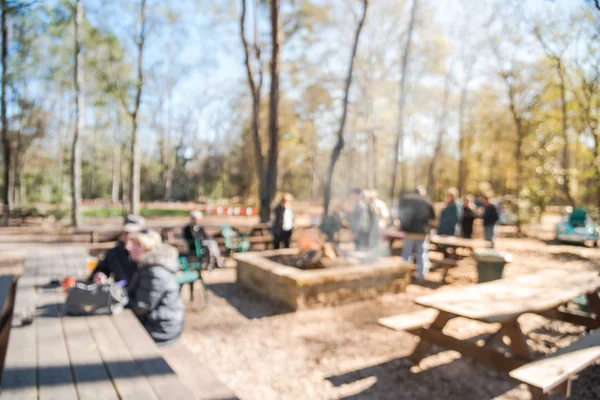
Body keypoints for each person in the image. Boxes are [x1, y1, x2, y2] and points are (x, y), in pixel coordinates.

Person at [127, 229, 185, 346]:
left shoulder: (154, 271)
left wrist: (121, 301)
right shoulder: (147, 266)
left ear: (147, 248)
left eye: (136, 245)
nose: (130, 247)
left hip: (162, 327)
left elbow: (142, 306)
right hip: (156, 321)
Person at [88, 214, 145, 285]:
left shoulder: (149, 254)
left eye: (134, 233)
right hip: (122, 293)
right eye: (126, 233)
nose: (129, 236)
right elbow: (101, 270)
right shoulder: (114, 253)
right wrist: (99, 275)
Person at [399, 186, 436, 281]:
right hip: (421, 233)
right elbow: (432, 218)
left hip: (410, 232)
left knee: (407, 253)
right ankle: (421, 276)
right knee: (421, 254)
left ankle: (405, 275)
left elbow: (402, 216)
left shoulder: (407, 202)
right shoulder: (426, 203)